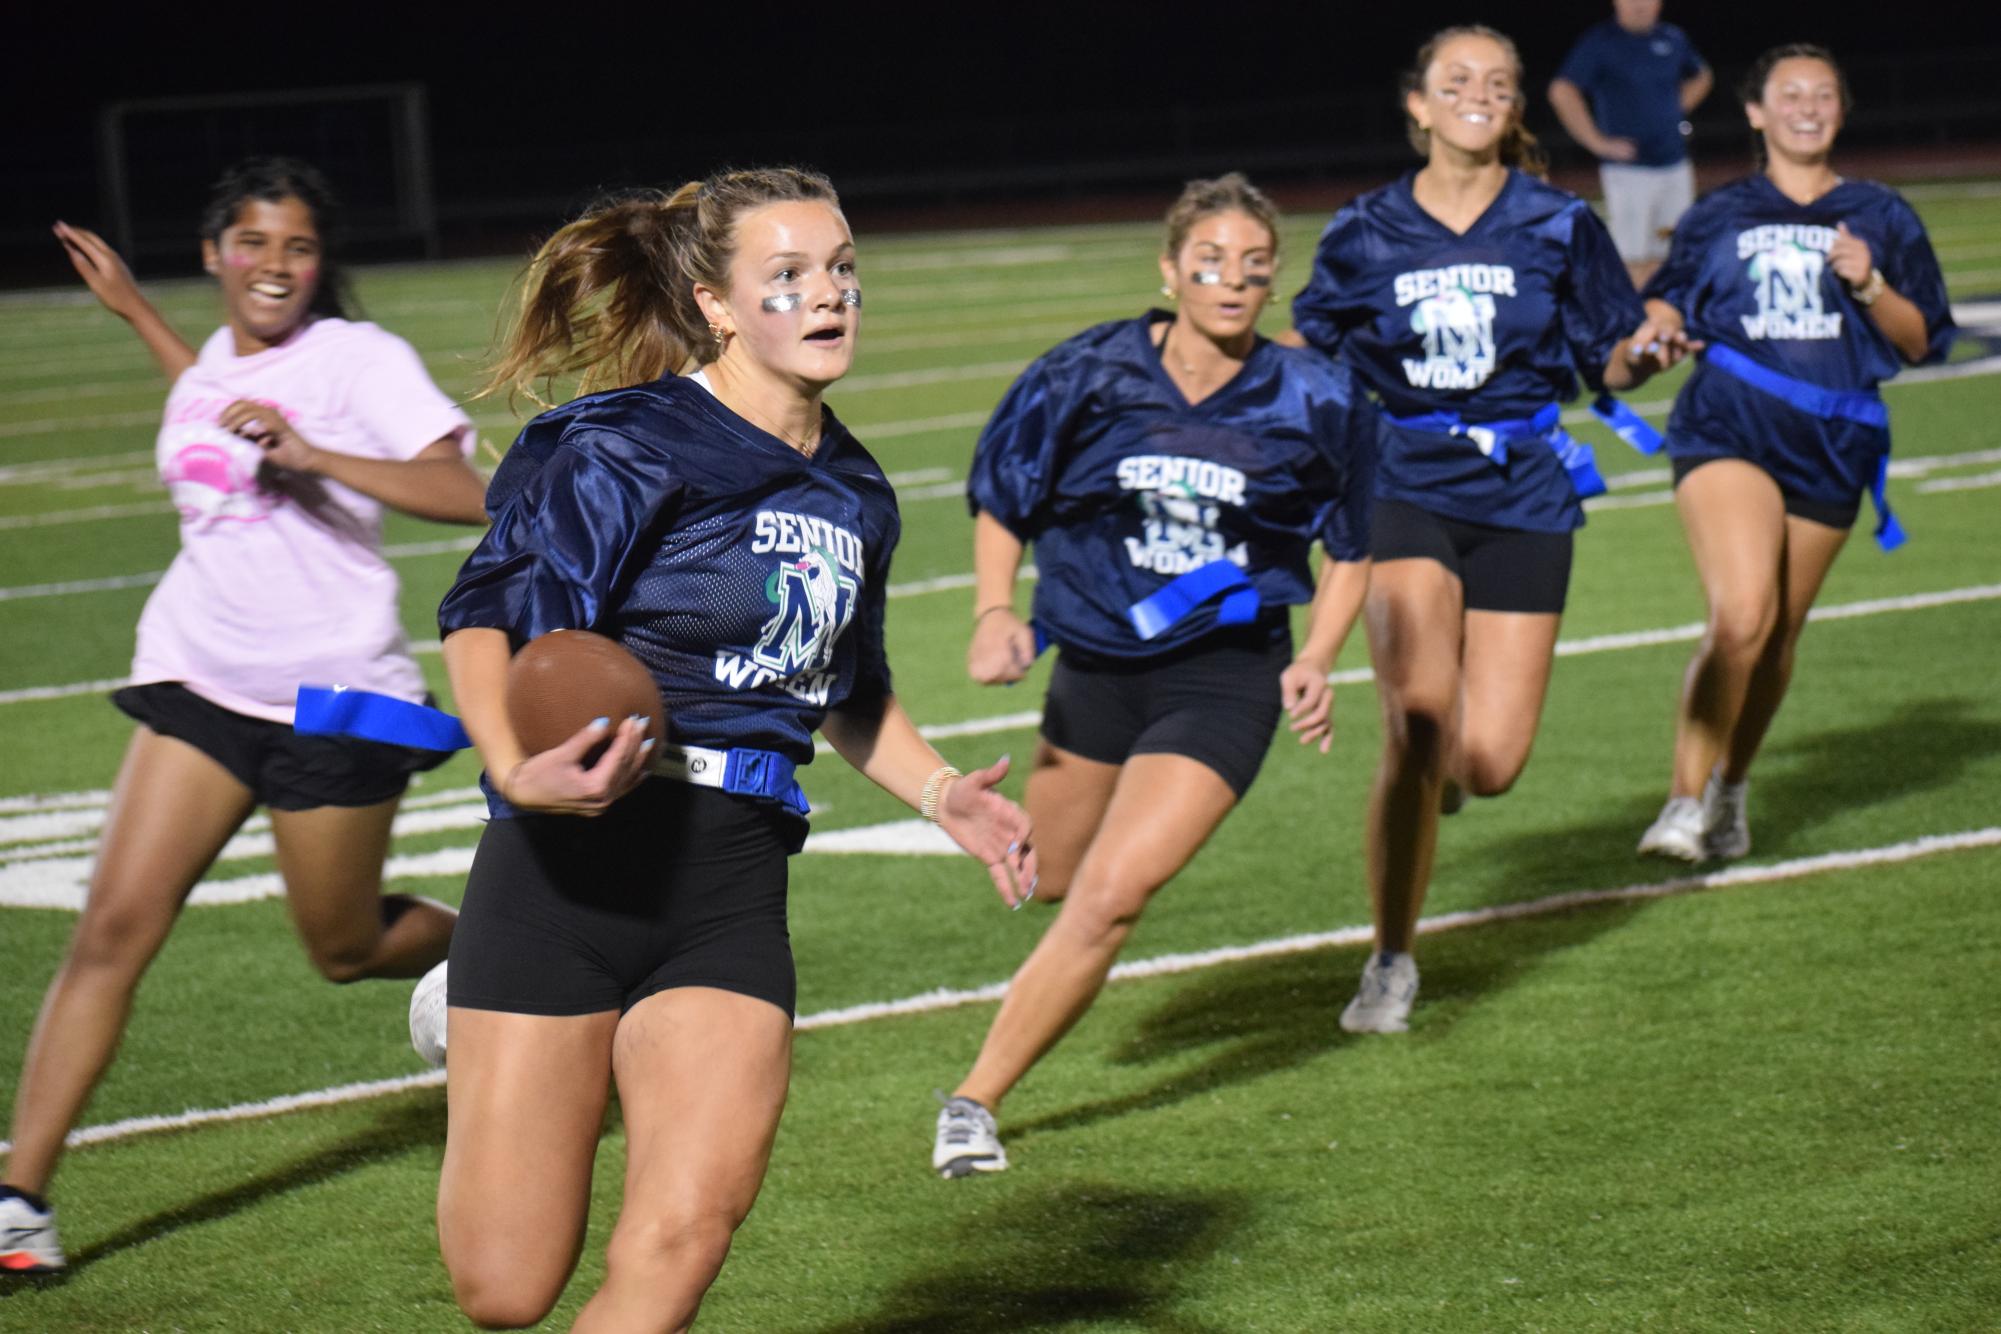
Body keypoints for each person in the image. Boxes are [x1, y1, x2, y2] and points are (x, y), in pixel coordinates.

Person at [417, 166, 1035, 1332]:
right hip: (573, 863)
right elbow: (487, 616)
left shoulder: (858, 487)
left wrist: (943, 790)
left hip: (730, 880)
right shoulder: (623, 443)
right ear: (716, 303)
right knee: (504, 1288)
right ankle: (471, 994)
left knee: (684, 1236)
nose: (828, 295)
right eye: (788, 276)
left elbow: (848, 689)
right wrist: (509, 762)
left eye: (842, 268)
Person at [0, 157, 486, 1275]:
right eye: (255, 243)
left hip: (341, 697)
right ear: (215, 252)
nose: (278, 265)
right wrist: (134, 311)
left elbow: (476, 494)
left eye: (299, 246)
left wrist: (317, 454)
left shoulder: (362, 359)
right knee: (110, 930)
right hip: (200, 676)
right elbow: (212, 386)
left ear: (324, 263)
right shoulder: (214, 358)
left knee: (344, 944)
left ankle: (516, 948)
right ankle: (20, 1197)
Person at [930, 173, 1378, 1178]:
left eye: (1253, 267)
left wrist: (1316, 657)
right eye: (1209, 261)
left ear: (1272, 284)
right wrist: (995, 609)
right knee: (1049, 880)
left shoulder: (1317, 394)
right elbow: (1005, 493)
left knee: (1114, 894)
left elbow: (1353, 542)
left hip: (1223, 677)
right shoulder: (1087, 371)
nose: (1231, 279)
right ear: (1169, 269)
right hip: (1095, 663)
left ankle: (972, 1101)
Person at [1289, 26, 1693, 1036]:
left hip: (1523, 490)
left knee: (1490, 762)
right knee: (1419, 721)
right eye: (1456, 80)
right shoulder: (1365, 229)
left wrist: (1647, 355)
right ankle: (1390, 958)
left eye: (1499, 84)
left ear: (1514, 112)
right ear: (1418, 104)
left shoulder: (1559, 223)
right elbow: (1317, 355)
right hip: (1403, 481)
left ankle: (1444, 785)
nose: (1479, 94)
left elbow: (1607, 356)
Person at [1634, 45, 1953, 863]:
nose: (1806, 106)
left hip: (1832, 443)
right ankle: (1680, 800)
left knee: (1775, 639)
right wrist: (1656, 327)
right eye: (1789, 93)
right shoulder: (1718, 211)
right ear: (1754, 111)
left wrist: (1871, 284)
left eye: (1822, 95)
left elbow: (1920, 343)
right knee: (1739, 616)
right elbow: (1668, 295)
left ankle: (1729, 788)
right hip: (1727, 430)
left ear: (1839, 112)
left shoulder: (1880, 215)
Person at [1549, 0, 1713, 288]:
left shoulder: (1672, 38)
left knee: (1675, 253)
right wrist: (1596, 142)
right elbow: (1562, 90)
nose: (1639, 5)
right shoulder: (1600, 42)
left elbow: (1702, 75)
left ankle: (1670, 324)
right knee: (1629, 259)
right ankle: (1633, 327)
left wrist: (1674, 110)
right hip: (1629, 171)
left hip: (1675, 165)